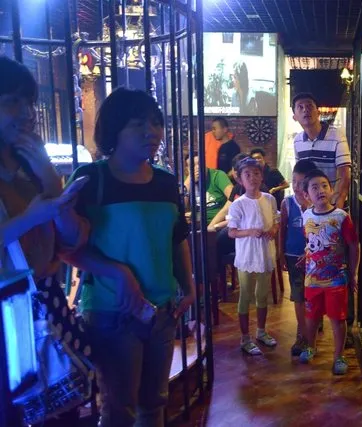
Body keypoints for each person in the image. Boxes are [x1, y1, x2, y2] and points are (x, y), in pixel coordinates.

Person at [64, 87, 196, 427]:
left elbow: (176, 237)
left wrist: (189, 285)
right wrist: (117, 272)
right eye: (138, 124)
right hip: (111, 312)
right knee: (119, 407)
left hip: (162, 310)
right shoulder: (92, 179)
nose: (151, 132)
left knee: (155, 402)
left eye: (155, 123)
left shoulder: (166, 183)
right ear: (115, 130)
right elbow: (65, 247)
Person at [0, 56, 91, 426]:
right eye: (11, 102)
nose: (25, 112)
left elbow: (75, 237)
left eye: (28, 102)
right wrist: (32, 217)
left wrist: (48, 175)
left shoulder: (29, 169)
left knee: (62, 410)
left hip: (44, 300)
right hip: (9, 314)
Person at [292, 92, 356, 346]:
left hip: (333, 211)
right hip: (312, 213)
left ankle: (346, 326)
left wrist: (333, 210)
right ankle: (312, 324)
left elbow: (344, 173)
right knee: (314, 264)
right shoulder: (298, 141)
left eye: (310, 105)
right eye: (300, 107)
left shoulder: (336, 134)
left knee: (340, 267)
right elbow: (302, 177)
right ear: (295, 116)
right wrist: (309, 209)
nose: (305, 110)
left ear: (318, 111)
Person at [298, 169, 359, 375]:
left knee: (337, 318)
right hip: (312, 280)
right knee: (312, 317)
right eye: (314, 187)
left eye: (324, 185)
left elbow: (353, 245)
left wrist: (353, 273)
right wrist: (306, 254)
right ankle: (310, 346)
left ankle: (339, 356)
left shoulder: (341, 217)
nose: (321, 190)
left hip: (336, 279)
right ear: (306, 195)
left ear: (331, 189)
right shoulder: (306, 216)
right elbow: (310, 243)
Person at [227, 157, 279, 355]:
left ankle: (261, 331)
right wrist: (249, 232)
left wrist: (273, 229)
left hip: (265, 253)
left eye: (256, 173)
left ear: (262, 176)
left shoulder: (269, 199)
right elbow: (232, 232)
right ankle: (245, 337)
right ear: (240, 179)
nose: (252, 178)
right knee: (245, 295)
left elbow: (275, 220)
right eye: (247, 174)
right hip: (247, 256)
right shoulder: (238, 204)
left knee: (262, 295)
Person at [279, 159, 315, 356]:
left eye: (301, 183)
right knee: (298, 296)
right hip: (293, 256)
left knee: (313, 296)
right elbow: (282, 230)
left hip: (313, 258)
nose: (296, 186)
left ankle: (313, 329)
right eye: (294, 181)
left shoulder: (317, 206)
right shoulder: (287, 203)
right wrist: (281, 254)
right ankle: (302, 334)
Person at [183, 154, 233, 226]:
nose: (197, 167)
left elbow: (234, 199)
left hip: (219, 222)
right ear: (187, 169)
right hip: (196, 223)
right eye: (192, 165)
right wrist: (190, 180)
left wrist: (212, 225)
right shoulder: (187, 180)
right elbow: (180, 206)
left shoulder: (217, 175)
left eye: (200, 163)